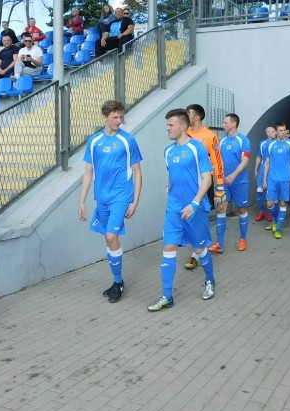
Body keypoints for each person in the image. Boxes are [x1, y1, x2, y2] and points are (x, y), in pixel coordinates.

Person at [148, 109, 216, 312]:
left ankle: (210, 280)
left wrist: (195, 203)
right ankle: (166, 296)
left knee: (199, 249)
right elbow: (174, 178)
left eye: (171, 124)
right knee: (169, 248)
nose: (167, 128)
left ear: (183, 126)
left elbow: (207, 178)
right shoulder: (168, 151)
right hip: (174, 208)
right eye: (167, 124)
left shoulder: (197, 148)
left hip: (194, 208)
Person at [78, 100, 143, 303]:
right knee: (110, 240)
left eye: (121, 116)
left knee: (110, 235)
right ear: (104, 117)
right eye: (115, 117)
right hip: (102, 198)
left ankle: (118, 282)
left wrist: (135, 201)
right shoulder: (94, 141)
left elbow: (138, 172)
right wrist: (82, 201)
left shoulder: (128, 140)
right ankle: (117, 280)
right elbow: (88, 172)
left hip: (121, 196)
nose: (119, 120)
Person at [184, 103, 224, 268]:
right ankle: (201, 247)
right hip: (187, 182)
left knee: (200, 215)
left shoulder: (209, 135)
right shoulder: (185, 133)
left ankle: (197, 253)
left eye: (189, 113)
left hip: (204, 182)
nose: (186, 116)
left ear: (197, 117)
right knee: (190, 217)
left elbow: (217, 160)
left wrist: (220, 186)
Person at [216, 113, 251, 251]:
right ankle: (220, 244)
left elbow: (245, 161)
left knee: (242, 209)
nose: (223, 125)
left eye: (225, 122)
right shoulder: (222, 141)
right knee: (220, 209)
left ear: (233, 124)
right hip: (223, 183)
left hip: (240, 182)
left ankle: (243, 239)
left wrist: (234, 175)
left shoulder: (244, 140)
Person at [263, 123, 290, 239]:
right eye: (280, 130)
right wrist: (264, 179)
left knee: (283, 203)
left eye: (284, 130)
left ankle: (278, 228)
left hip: (286, 179)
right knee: (270, 203)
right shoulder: (269, 145)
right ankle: (274, 220)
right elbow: (267, 163)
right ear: (276, 131)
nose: (283, 133)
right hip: (272, 178)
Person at [253, 126, 276, 222]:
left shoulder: (276, 143)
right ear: (268, 133)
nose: (275, 132)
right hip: (263, 168)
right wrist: (255, 169)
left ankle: (271, 213)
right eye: (273, 131)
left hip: (273, 169)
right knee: (259, 190)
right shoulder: (262, 143)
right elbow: (259, 157)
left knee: (270, 191)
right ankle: (261, 212)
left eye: (275, 131)